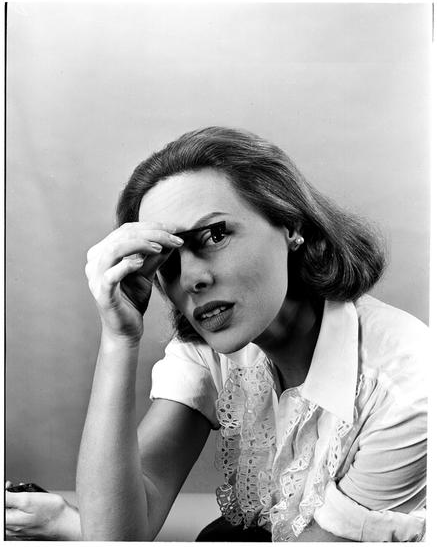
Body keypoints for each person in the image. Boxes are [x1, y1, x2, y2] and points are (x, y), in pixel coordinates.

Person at [5, 127, 427, 542]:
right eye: (166, 259)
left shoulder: (408, 389)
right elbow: (115, 536)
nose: (191, 279)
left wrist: (81, 530)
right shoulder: (209, 346)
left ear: (291, 224)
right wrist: (119, 338)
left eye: (216, 235)